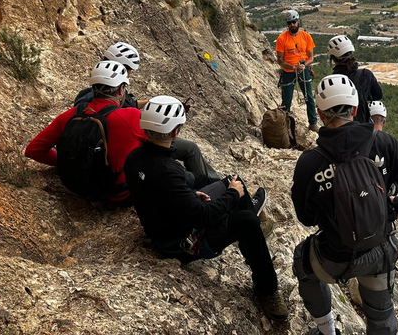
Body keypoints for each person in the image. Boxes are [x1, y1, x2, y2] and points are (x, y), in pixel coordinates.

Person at [292, 74, 398, 335]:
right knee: (381, 317)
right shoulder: (383, 143)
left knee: (302, 261)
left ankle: (327, 330)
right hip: (379, 251)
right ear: (356, 109)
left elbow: (306, 217)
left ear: (321, 115)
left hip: (333, 257)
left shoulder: (310, 163)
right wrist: (395, 206)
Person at [124, 96, 288, 322]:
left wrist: (190, 195)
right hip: (182, 245)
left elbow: (157, 194)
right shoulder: (167, 170)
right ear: (175, 132)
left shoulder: (134, 158)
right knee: (246, 220)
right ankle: (268, 290)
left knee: (232, 180)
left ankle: (252, 216)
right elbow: (202, 216)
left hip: (166, 225)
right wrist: (232, 194)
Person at [74, 41, 220, 180]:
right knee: (190, 148)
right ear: (122, 69)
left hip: (99, 156)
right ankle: (211, 185)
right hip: (128, 151)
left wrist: (155, 102)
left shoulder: (87, 96)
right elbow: (144, 128)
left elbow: (131, 104)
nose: (130, 74)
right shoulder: (123, 107)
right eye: (130, 70)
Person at [25, 61, 146, 203]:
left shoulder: (72, 114)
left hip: (78, 188)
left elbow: (33, 150)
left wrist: (67, 161)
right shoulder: (131, 116)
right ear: (121, 90)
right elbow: (161, 144)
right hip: (119, 194)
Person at [275, 9, 318, 131]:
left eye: (294, 22)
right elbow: (280, 59)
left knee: (309, 96)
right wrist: (293, 67)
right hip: (289, 71)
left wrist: (304, 65)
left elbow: (311, 56)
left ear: (298, 21)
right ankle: (285, 124)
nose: (292, 25)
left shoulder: (306, 37)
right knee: (286, 99)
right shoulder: (282, 39)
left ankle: (313, 123)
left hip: (303, 70)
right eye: (289, 23)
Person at [327, 35, 382, 124]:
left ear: (333, 59)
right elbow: (378, 95)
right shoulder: (366, 75)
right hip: (362, 125)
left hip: (341, 126)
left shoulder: (332, 82)